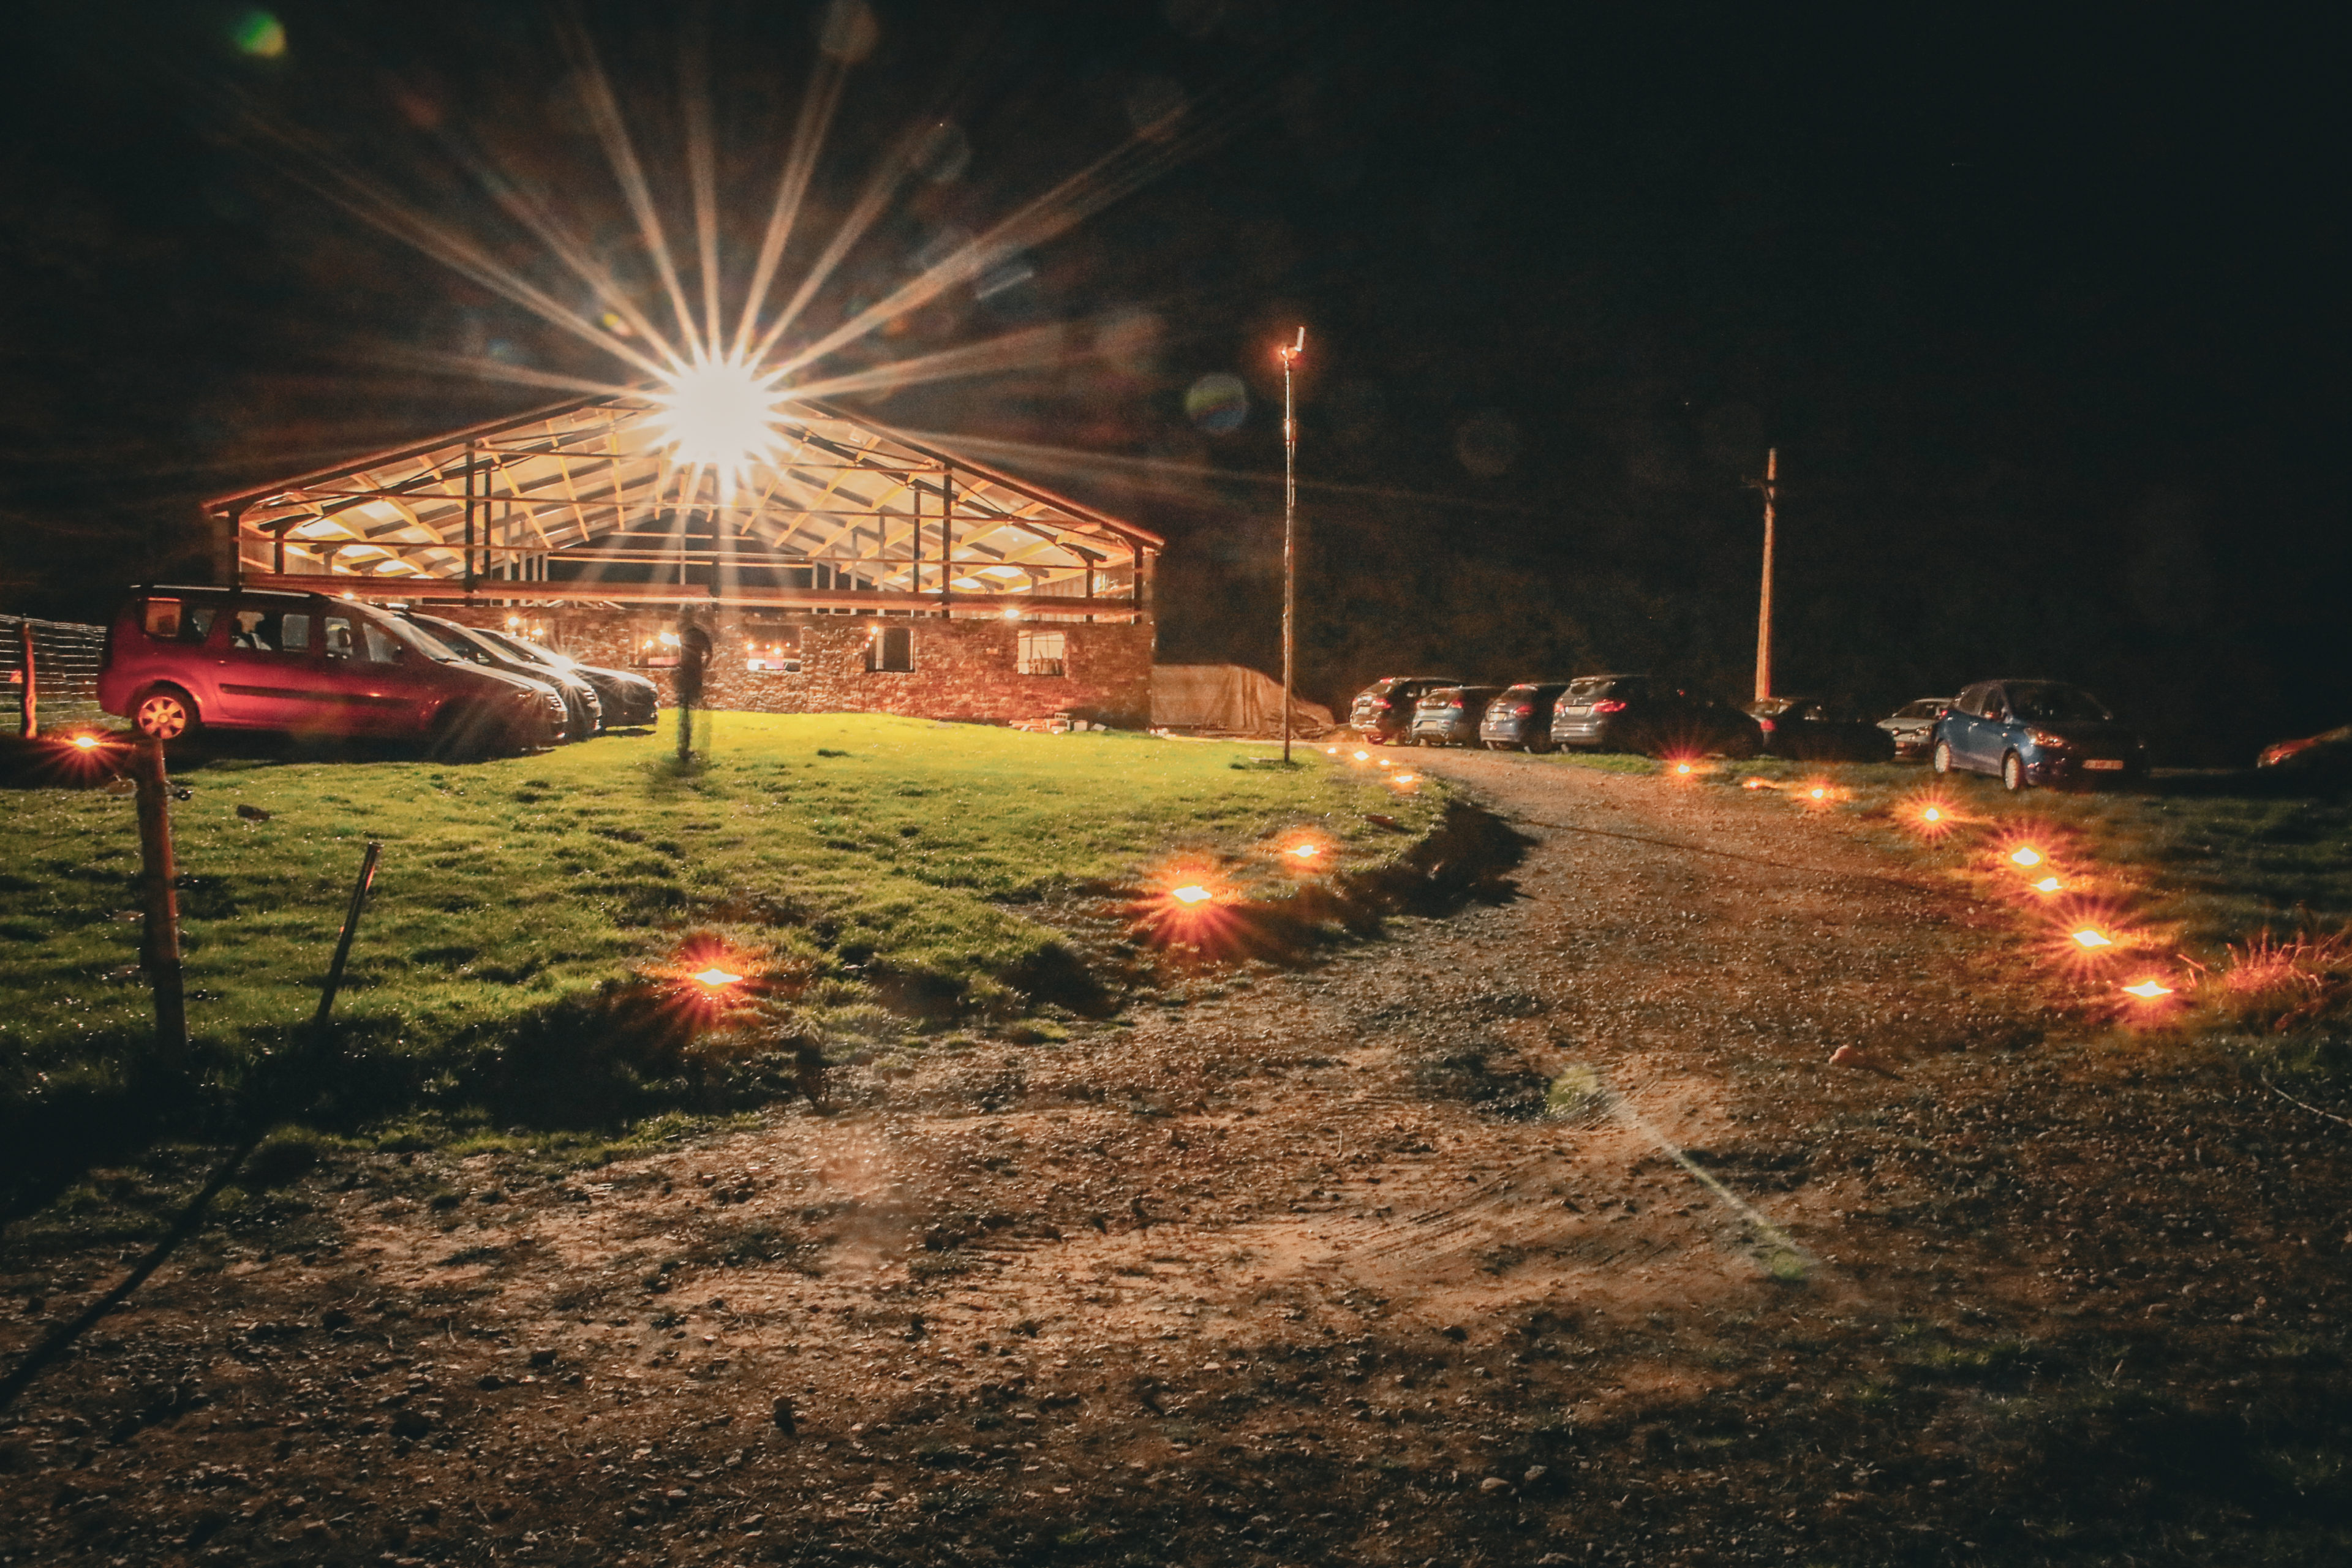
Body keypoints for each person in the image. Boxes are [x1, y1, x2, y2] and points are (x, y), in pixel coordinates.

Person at [673, 609, 712, 760]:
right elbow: (710, 654)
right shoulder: (698, 634)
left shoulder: (684, 635)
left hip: (686, 676)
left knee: (685, 713)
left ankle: (683, 746)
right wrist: (703, 666)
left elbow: (682, 655)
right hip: (693, 676)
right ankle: (685, 746)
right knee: (689, 712)